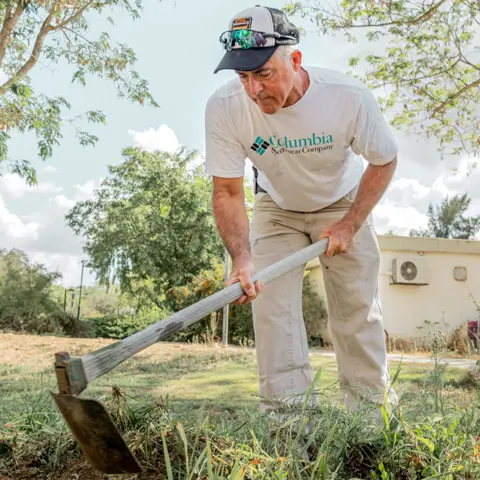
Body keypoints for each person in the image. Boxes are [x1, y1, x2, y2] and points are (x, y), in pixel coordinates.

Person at [204, 5, 399, 420]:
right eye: (244, 78)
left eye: (263, 74)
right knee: (272, 311)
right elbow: (226, 190)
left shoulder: (347, 97)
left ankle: (370, 422)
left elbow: (384, 160)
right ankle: (289, 426)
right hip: (277, 209)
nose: (254, 90)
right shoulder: (224, 108)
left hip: (344, 202)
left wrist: (350, 223)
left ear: (294, 60)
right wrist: (242, 258)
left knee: (356, 311)